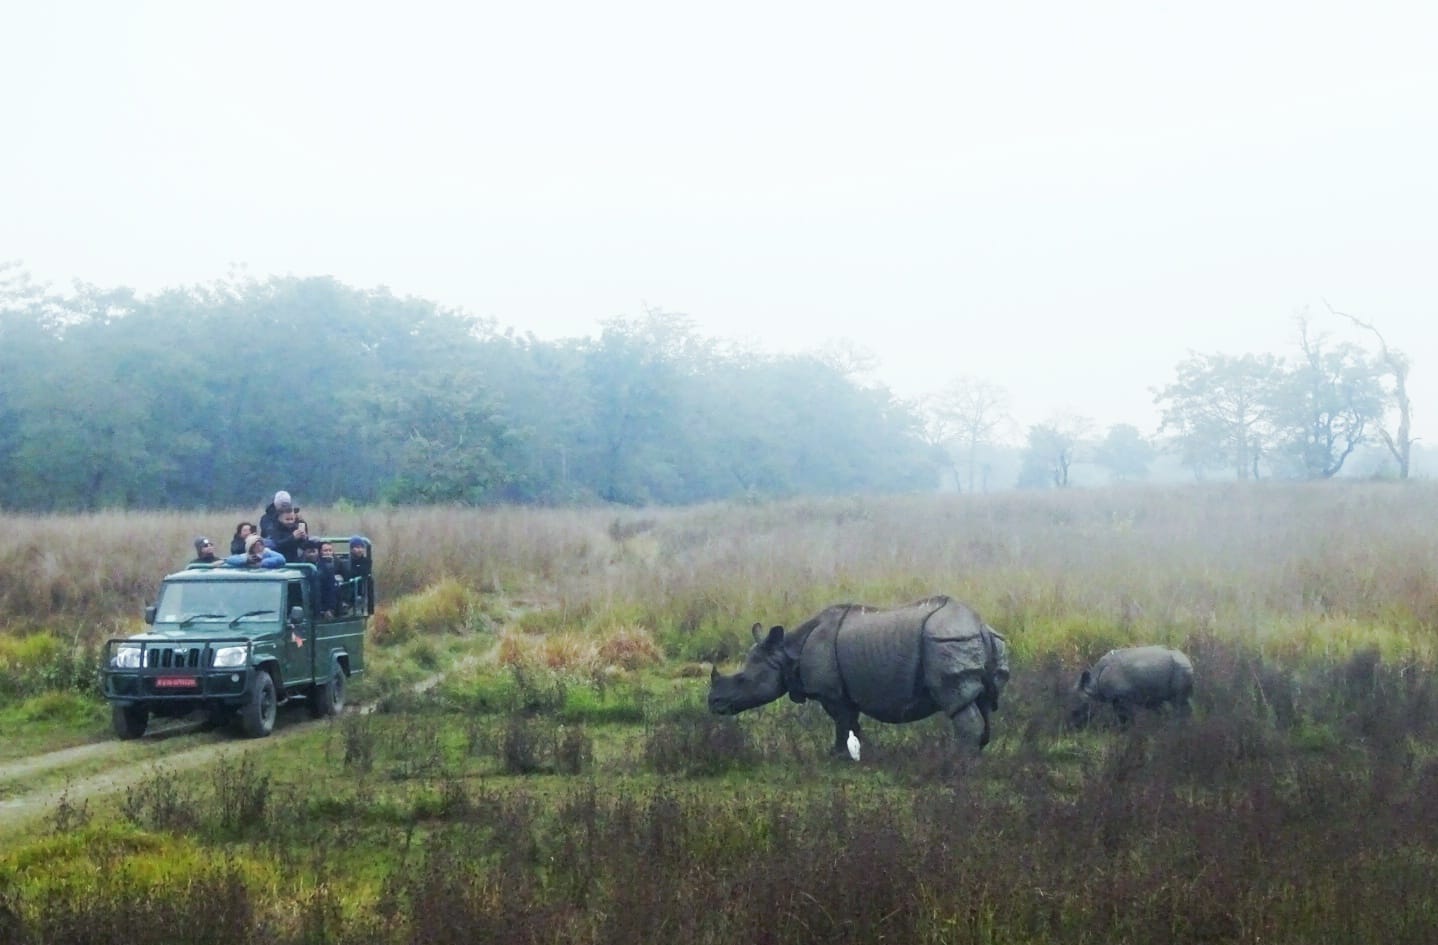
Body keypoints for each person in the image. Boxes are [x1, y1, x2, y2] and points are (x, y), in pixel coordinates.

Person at [345, 535, 374, 614]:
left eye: (361, 547)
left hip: (359, 588)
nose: (360, 550)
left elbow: (364, 572)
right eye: (357, 547)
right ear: (351, 549)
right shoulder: (347, 561)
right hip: (348, 586)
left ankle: (370, 611)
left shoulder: (366, 561)